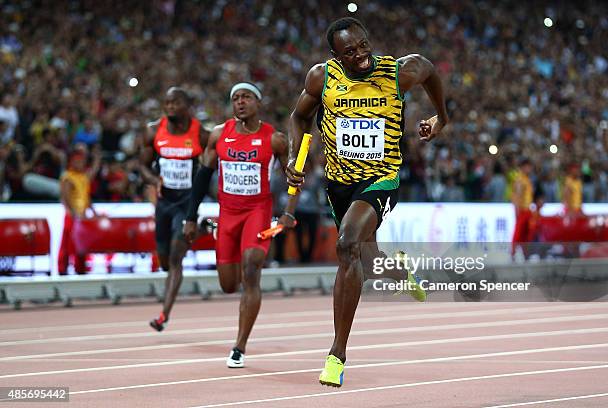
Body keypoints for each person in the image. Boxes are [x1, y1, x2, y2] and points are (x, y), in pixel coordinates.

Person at [285, 17, 448, 387]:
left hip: (381, 179)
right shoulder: (321, 78)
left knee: (347, 245)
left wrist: (442, 117)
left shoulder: (398, 72)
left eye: (362, 45)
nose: (360, 56)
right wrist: (295, 160)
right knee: (367, 262)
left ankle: (336, 355)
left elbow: (430, 72)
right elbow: (298, 118)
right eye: (349, 51)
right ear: (334, 55)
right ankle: (400, 270)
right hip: (338, 184)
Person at [183, 82, 293, 368]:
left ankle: (239, 346)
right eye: (235, 98)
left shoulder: (275, 139)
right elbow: (201, 177)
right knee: (229, 285)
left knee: (252, 266)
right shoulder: (219, 135)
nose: (240, 102)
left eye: (245, 97)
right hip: (228, 215)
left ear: (258, 103)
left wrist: (288, 213)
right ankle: (222, 237)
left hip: (258, 211)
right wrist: (191, 217)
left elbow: (295, 179)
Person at [141, 87, 207, 331]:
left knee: (177, 258)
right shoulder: (152, 131)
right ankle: (202, 230)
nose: (170, 107)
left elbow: (211, 165)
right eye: (166, 103)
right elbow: (142, 166)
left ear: (187, 105)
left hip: (187, 203)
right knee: (165, 261)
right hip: (165, 203)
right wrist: (153, 178)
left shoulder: (201, 133)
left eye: (175, 103)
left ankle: (163, 315)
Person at [58, 147, 101, 274]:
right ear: (72, 162)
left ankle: (80, 269)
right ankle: (62, 269)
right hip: (71, 216)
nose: (80, 164)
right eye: (77, 161)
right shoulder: (67, 177)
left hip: (82, 216)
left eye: (82, 161)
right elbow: (65, 198)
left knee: (81, 245)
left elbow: (86, 197)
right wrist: (71, 213)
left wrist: (93, 211)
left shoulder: (83, 177)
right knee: (66, 244)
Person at [511, 157, 534, 259]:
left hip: (527, 209)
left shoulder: (526, 179)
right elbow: (517, 195)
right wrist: (517, 210)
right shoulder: (520, 179)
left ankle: (525, 253)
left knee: (527, 234)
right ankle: (513, 253)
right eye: (528, 167)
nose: (529, 169)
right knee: (518, 233)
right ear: (523, 167)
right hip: (522, 210)